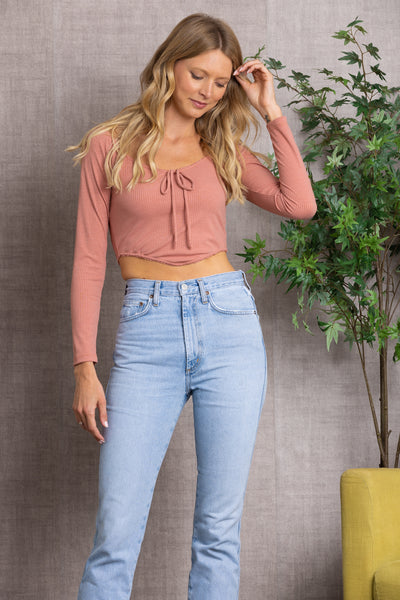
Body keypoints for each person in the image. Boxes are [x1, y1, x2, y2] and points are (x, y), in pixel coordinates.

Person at [67, 12, 316, 600]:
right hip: (146, 330)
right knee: (116, 530)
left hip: (227, 324)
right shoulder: (109, 145)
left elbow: (299, 204)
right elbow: (89, 260)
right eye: (197, 74)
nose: (207, 91)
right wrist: (84, 366)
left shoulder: (222, 146)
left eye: (220, 82)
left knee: (218, 530)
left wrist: (270, 112)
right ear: (169, 66)